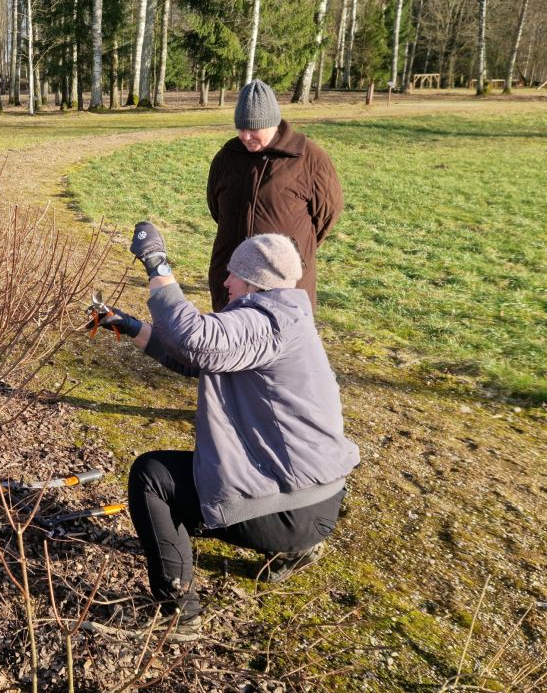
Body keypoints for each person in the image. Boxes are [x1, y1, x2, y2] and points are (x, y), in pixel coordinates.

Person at [88, 223, 360, 639]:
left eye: (234, 273)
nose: (225, 280)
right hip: (319, 497)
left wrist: (156, 263)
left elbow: (194, 338)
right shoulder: (286, 320)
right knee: (185, 472)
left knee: (152, 478)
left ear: (255, 281)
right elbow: (195, 359)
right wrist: (130, 327)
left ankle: (180, 615)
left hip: (289, 511)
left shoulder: (264, 321)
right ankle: (298, 547)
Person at [206, 79, 344, 312]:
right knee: (229, 342)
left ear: (272, 123)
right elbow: (216, 208)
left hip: (284, 281)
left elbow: (327, 213)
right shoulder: (227, 157)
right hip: (231, 277)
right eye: (240, 128)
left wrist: (296, 249)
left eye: (253, 129)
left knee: (281, 342)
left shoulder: (309, 157)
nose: (245, 136)